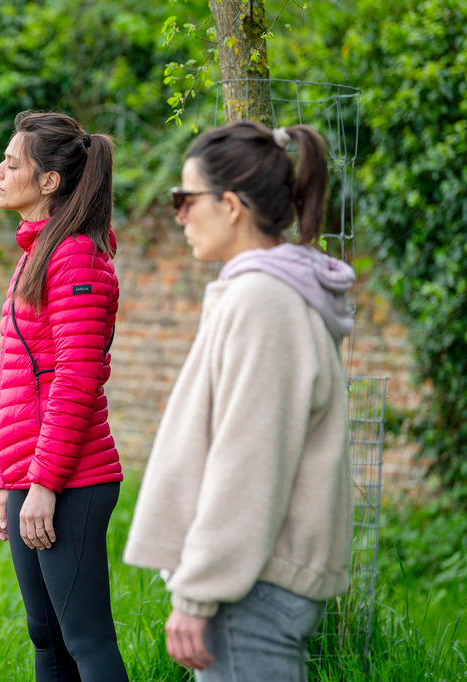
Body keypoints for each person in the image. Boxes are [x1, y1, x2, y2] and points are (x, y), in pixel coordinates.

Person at [123, 121, 355, 681]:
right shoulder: (266, 292)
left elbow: (247, 463)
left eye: (185, 199)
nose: (177, 214)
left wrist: (199, 593)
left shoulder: (263, 301)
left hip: (249, 592)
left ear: (230, 205)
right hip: (255, 581)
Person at [0, 111, 129, 681]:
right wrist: (8, 478)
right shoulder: (38, 252)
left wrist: (43, 483)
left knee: (85, 640)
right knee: (48, 639)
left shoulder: (73, 257)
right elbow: (23, 382)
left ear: (49, 181)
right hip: (35, 475)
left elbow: (75, 375)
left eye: (12, 163)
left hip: (72, 478)